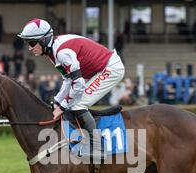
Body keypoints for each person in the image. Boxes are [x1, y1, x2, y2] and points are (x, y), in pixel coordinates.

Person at [18, 18, 125, 162]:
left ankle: (97, 149)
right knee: (71, 104)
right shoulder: (53, 51)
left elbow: (78, 84)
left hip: (110, 68)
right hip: (96, 71)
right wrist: (57, 100)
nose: (30, 48)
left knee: (77, 104)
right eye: (27, 43)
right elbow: (68, 79)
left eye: (31, 43)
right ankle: (81, 139)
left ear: (44, 39)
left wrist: (62, 106)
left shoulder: (62, 53)